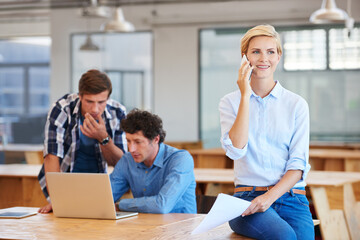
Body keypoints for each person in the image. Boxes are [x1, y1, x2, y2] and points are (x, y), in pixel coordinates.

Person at [219, 25, 314, 239]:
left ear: (278, 56)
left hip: (292, 197)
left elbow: (298, 166)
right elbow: (236, 151)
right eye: (256, 52)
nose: (264, 58)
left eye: (270, 52)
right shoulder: (230, 102)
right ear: (245, 57)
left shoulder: (297, 104)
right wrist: (245, 96)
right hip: (247, 198)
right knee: (284, 236)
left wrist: (270, 197)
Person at [38, 69, 127, 213]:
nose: (95, 109)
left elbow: (122, 163)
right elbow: (51, 156)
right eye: (89, 101)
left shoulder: (118, 112)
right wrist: (57, 199)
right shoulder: (62, 108)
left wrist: (103, 138)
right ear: (80, 96)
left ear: (108, 98)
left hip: (99, 184)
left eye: (101, 102)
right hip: (64, 182)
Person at [110, 109, 197, 214]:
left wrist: (121, 205)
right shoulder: (127, 160)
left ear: (156, 139)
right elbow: (105, 198)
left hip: (181, 228)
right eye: (128, 141)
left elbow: (162, 205)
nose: (131, 149)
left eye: (138, 142)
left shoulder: (181, 159)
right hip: (144, 226)